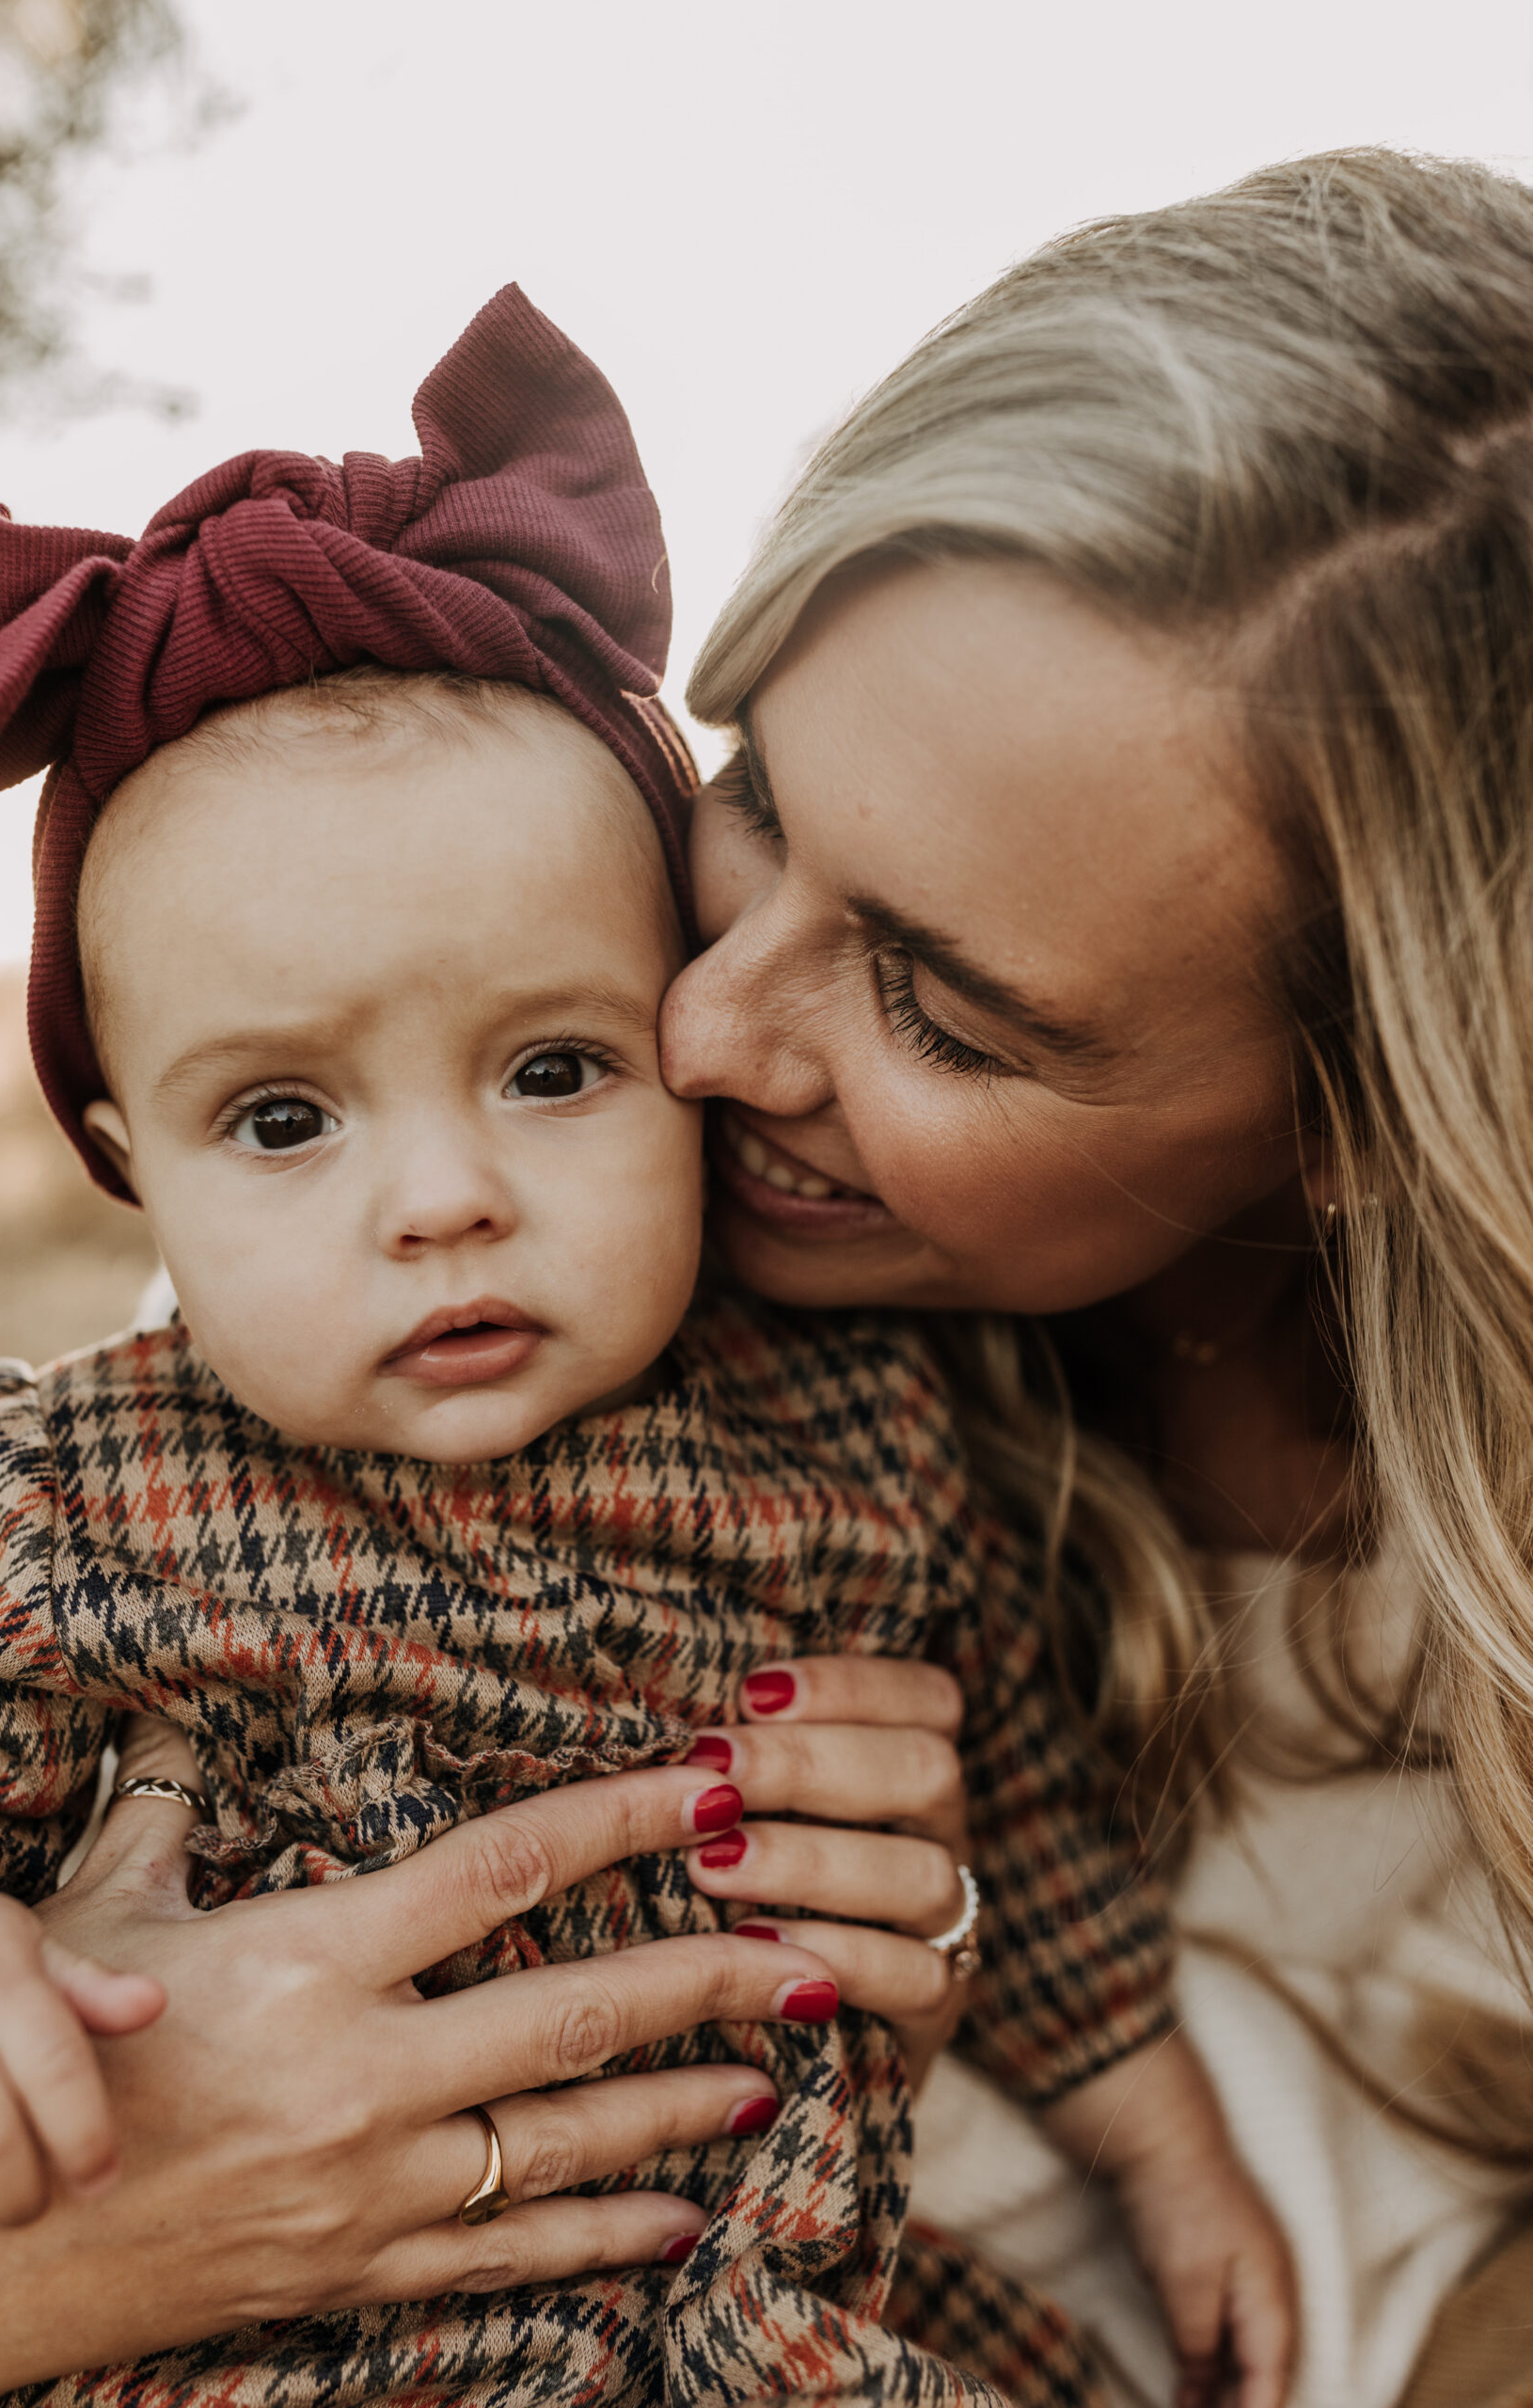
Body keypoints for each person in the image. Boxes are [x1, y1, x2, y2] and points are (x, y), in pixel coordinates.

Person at [0, 288, 1281, 2407]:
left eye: (553, 1067)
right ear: (129, 1167)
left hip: (754, 2309)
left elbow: (1011, 1809)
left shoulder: (860, 1426)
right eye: (284, 1119)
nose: (442, 1195)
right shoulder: (57, 1494)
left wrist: (1162, 2144)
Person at [661, 144, 1533, 2408]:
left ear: (1362, 1112)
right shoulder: (522, 1299)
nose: (702, 1033)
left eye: (937, 1007)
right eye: (751, 786)